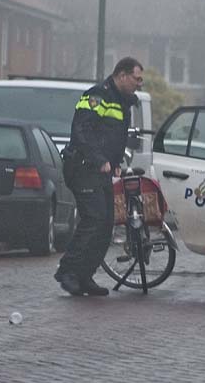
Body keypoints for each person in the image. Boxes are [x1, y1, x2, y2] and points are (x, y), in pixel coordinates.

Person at [54, 57, 144, 296]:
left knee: (106, 225)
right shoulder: (98, 96)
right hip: (83, 167)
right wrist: (99, 159)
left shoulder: (122, 102)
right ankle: (68, 272)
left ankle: (85, 276)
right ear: (122, 75)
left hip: (99, 170)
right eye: (137, 78)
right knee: (93, 219)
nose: (139, 84)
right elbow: (81, 130)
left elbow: (113, 137)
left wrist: (114, 163)